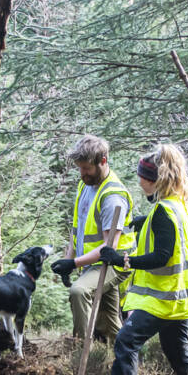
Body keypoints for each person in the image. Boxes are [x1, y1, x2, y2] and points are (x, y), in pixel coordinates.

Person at [91, 145, 188, 375]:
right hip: (182, 297)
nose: (139, 182)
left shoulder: (163, 211)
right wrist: (145, 221)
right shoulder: (179, 204)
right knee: (176, 349)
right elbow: (169, 238)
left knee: (126, 341)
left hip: (162, 298)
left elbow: (161, 256)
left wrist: (121, 259)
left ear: (154, 180)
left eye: (141, 177)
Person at [49, 135, 134, 344]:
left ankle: (79, 349)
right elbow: (77, 228)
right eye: (80, 168)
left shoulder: (112, 196)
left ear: (103, 161)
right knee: (110, 320)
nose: (82, 173)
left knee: (79, 291)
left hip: (115, 261)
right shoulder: (85, 185)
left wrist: (75, 262)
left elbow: (109, 247)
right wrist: (69, 259)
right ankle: (124, 359)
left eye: (86, 168)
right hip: (93, 262)